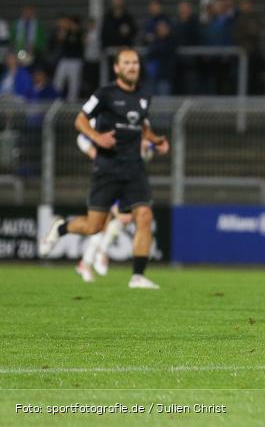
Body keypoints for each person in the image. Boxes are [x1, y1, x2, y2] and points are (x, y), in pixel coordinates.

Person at [38, 47, 170, 289]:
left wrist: (156, 140)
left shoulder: (144, 96)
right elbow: (80, 119)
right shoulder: (105, 94)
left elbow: (142, 127)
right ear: (117, 68)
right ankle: (61, 227)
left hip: (134, 168)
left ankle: (137, 276)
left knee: (144, 216)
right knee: (94, 226)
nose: (133, 67)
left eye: (135, 63)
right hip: (107, 167)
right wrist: (96, 138)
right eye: (127, 63)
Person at [73, 119, 148, 283]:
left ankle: (89, 260)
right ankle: (94, 257)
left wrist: (144, 149)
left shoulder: (138, 122)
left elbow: (146, 154)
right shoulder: (104, 117)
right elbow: (83, 139)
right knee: (107, 221)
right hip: (108, 177)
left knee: (122, 219)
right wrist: (95, 152)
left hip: (127, 177)